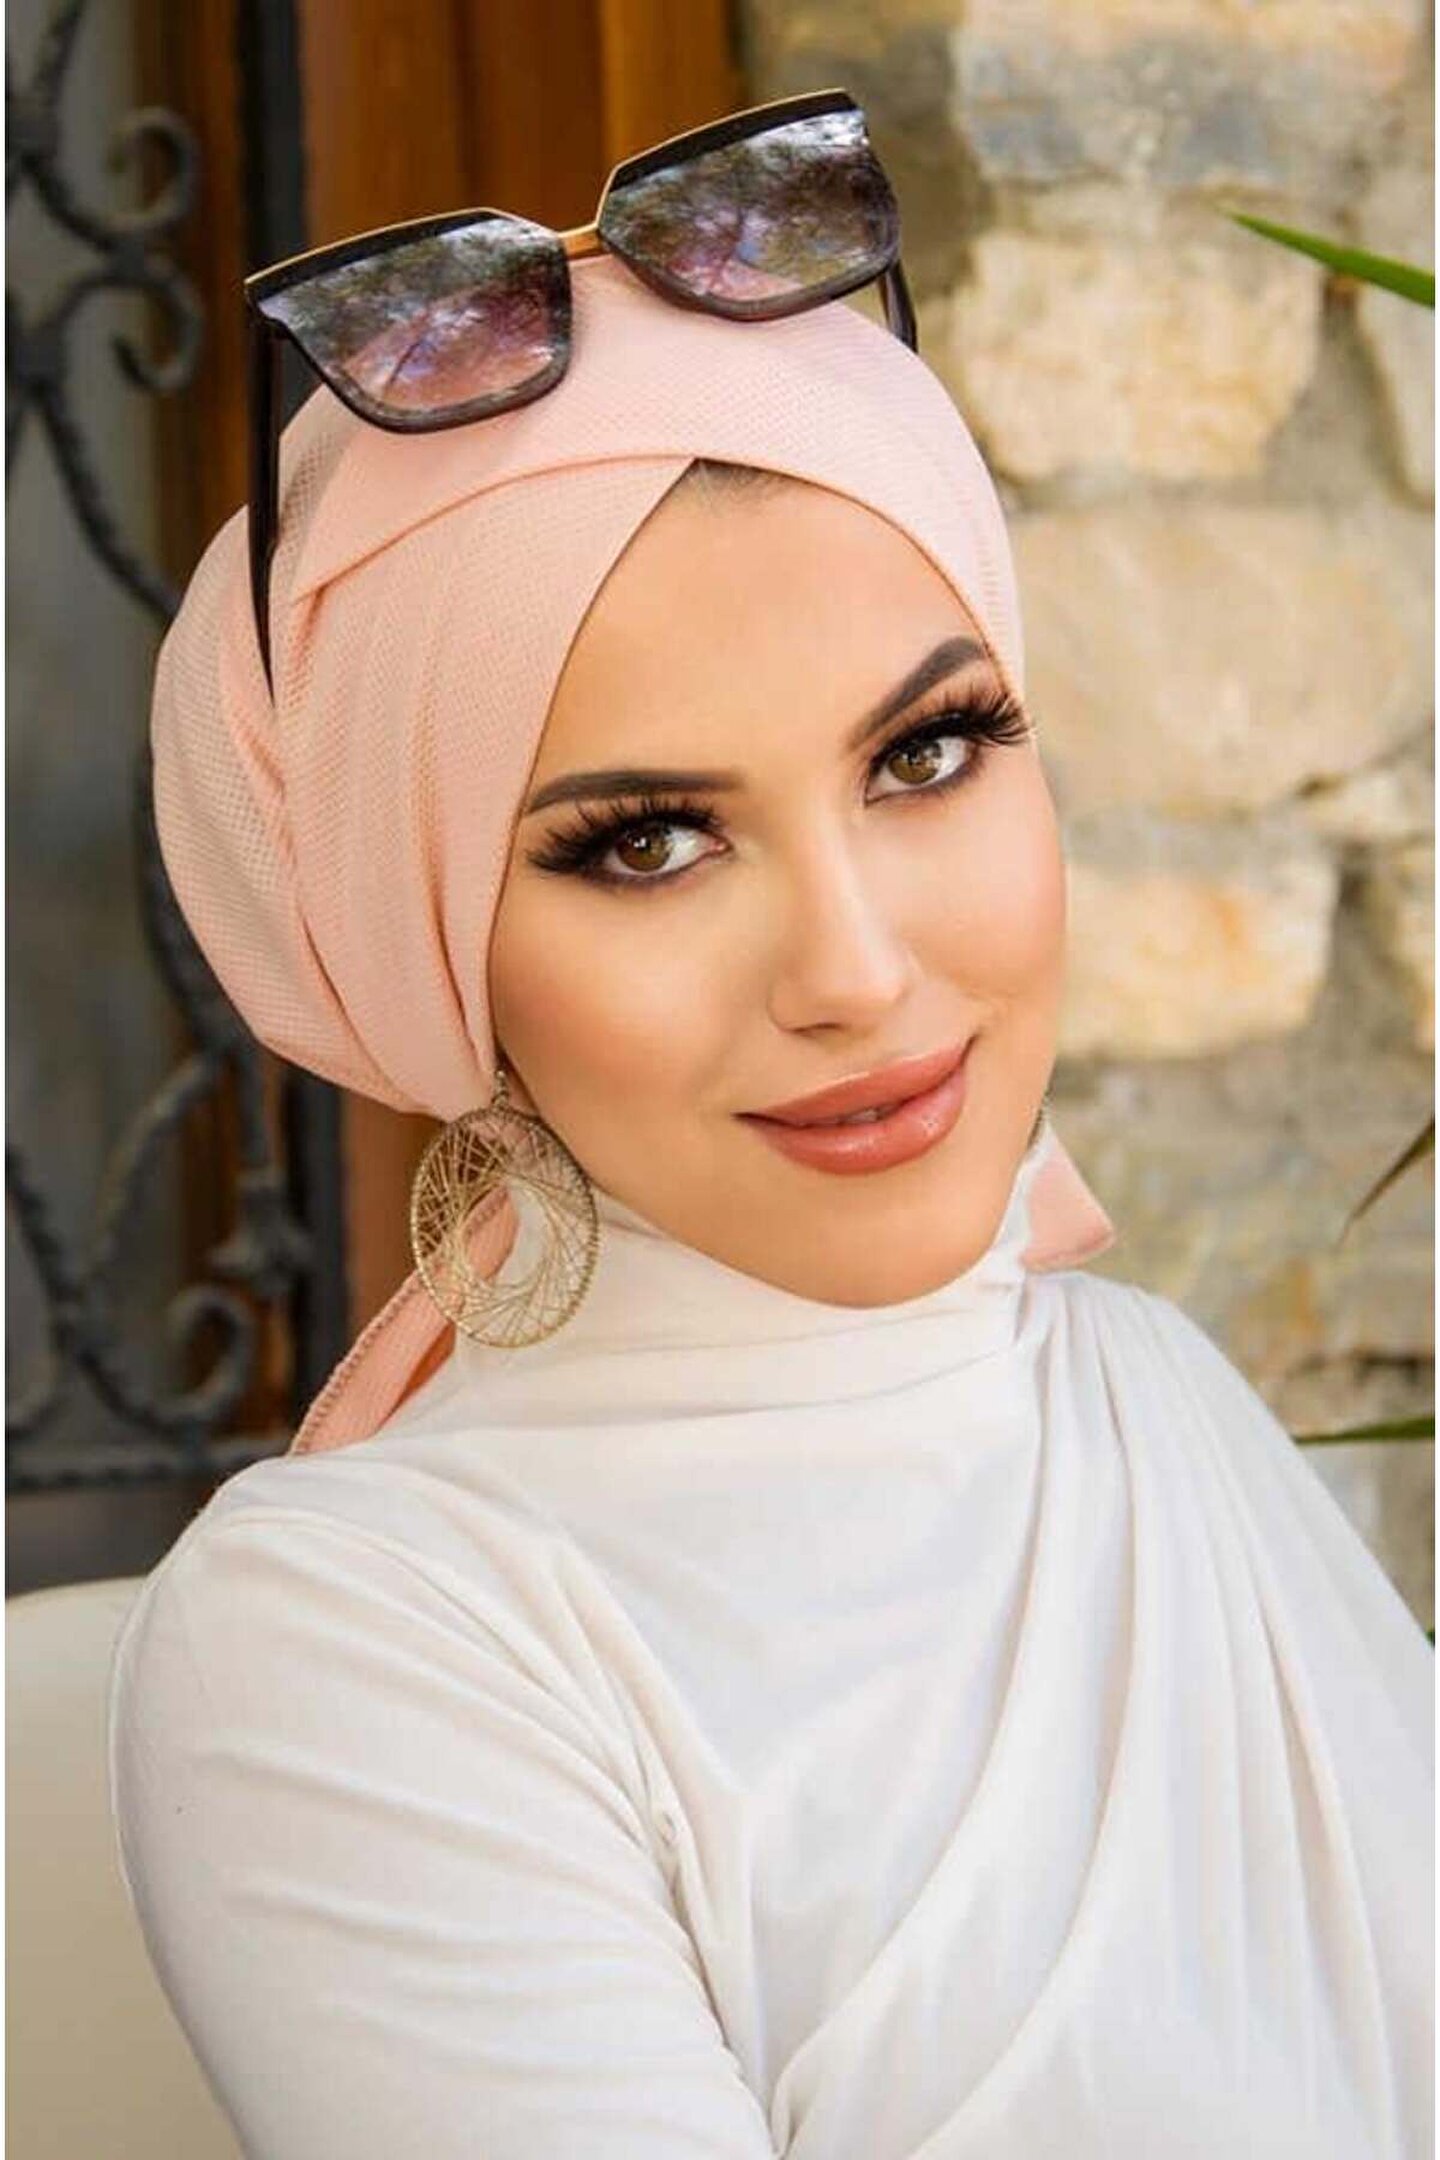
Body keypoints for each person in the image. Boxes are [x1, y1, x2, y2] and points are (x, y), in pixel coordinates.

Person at [107, 231, 1432, 2156]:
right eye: (647, 843)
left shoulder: (1150, 1405)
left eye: (930, 751)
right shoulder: (353, 1645)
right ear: (418, 947)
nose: (857, 971)